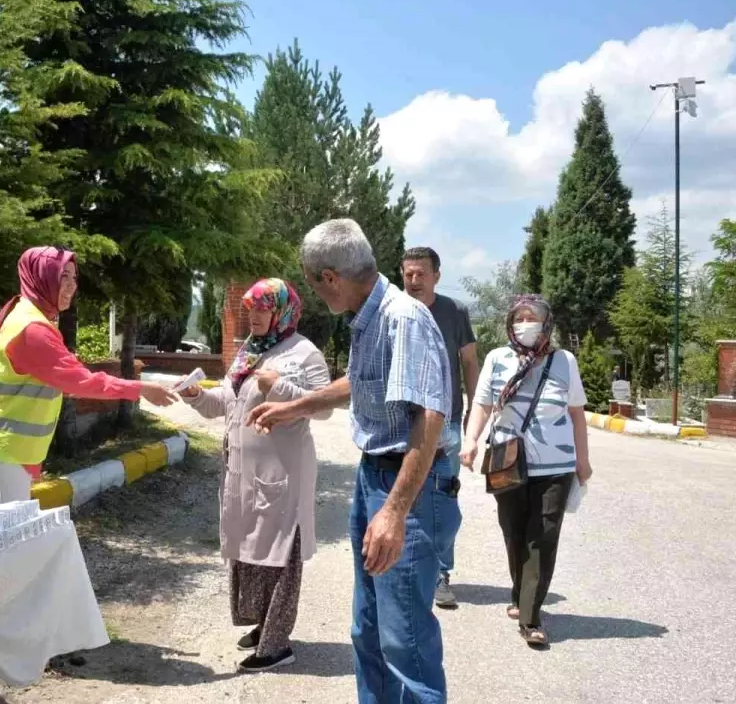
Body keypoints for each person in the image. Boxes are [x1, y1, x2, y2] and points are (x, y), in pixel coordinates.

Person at [248, 220, 451, 703]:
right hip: (373, 475)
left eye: (316, 285)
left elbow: (430, 416)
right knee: (369, 629)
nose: (318, 297)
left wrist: (395, 511)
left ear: (331, 277)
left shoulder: (403, 318)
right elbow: (362, 383)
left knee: (406, 640)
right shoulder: (369, 316)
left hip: (404, 481)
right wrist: (295, 406)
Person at [179, 279, 332, 673]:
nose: (256, 316)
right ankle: (264, 625)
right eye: (251, 309)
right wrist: (197, 397)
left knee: (280, 555)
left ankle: (277, 645)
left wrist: (278, 384)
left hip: (282, 476)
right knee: (249, 550)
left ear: (282, 311)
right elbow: (226, 404)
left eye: (264, 309)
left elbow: (324, 408)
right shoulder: (249, 351)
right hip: (242, 474)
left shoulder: (305, 353)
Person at [0, 246, 177, 502]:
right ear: (41, 277)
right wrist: (141, 389)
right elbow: (81, 382)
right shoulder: (32, 329)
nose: (71, 286)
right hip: (5, 449)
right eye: (62, 277)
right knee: (13, 536)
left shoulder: (25, 313)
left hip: (6, 447)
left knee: (13, 532)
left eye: (74, 277)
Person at [459, 294, 592, 648]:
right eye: (519, 317)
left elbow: (577, 414)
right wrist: (471, 439)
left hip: (556, 466)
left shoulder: (565, 361)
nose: (525, 324)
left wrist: (583, 460)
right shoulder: (497, 358)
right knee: (514, 533)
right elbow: (482, 404)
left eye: (532, 317)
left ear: (547, 323)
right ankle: (520, 593)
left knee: (543, 537)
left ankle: (531, 617)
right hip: (507, 462)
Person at [401, 247, 479, 609]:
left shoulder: (454, 312)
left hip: (446, 420)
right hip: (403, 422)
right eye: (408, 274)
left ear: (436, 275)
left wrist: (475, 413)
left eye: (421, 274)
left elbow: (469, 362)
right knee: (404, 494)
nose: (413, 281)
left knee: (443, 500)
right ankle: (409, 568)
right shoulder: (396, 311)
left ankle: (441, 573)